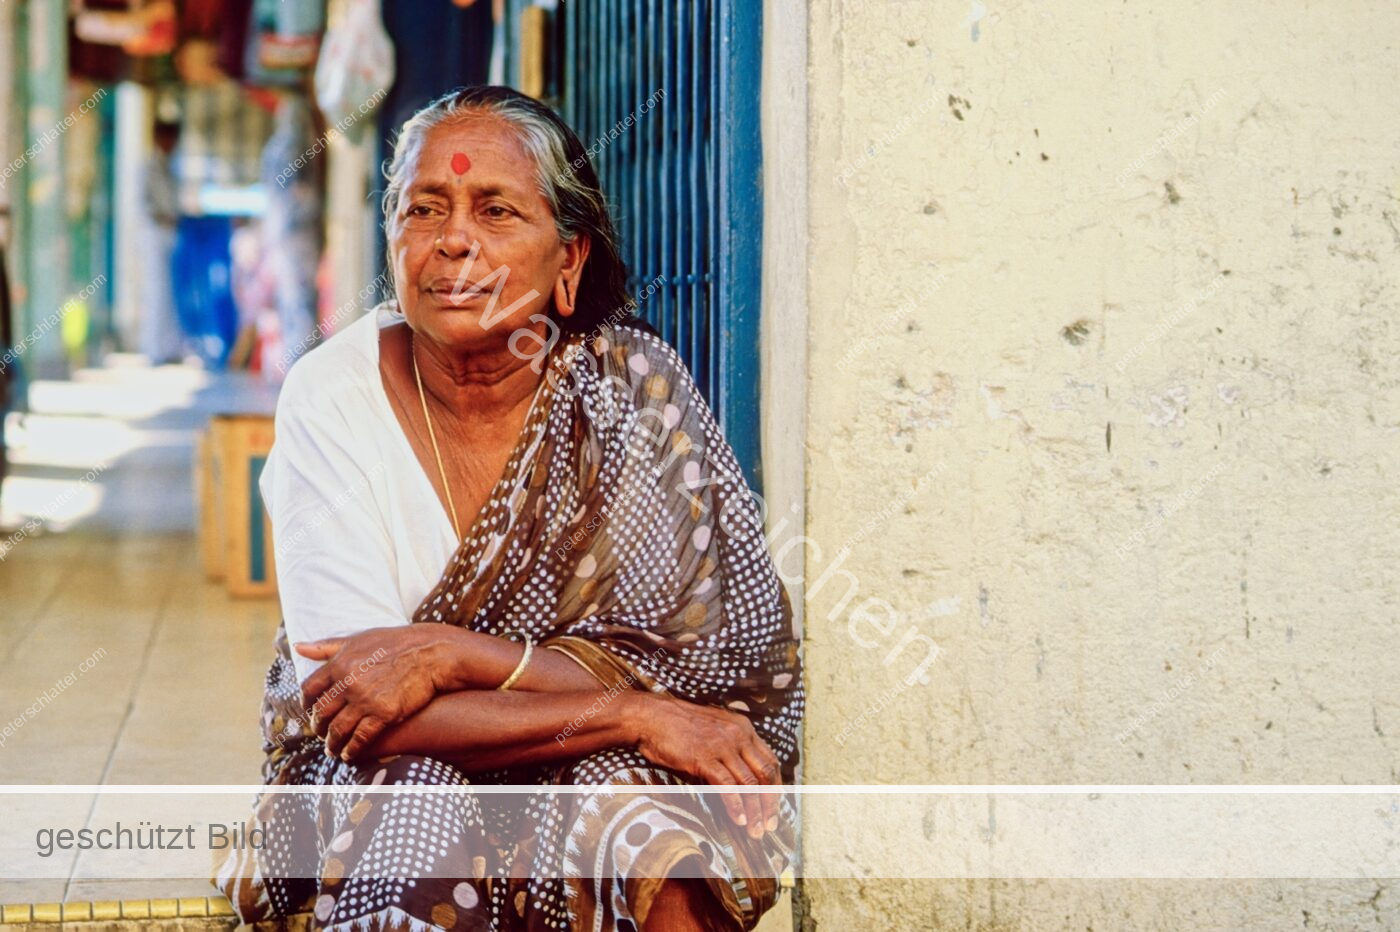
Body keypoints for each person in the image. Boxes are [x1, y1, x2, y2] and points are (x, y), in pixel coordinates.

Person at [215, 86, 803, 932]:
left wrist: (450, 657)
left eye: (496, 210)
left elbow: (680, 675)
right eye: (425, 207)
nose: (454, 239)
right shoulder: (330, 394)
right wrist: (629, 712)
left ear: (568, 264)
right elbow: (363, 716)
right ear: (393, 240)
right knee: (413, 797)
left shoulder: (627, 398)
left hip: (600, 762)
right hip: (390, 773)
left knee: (637, 815)